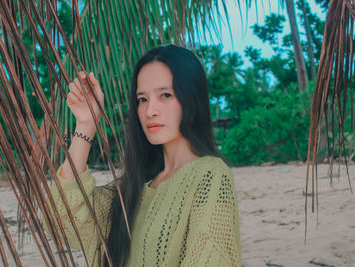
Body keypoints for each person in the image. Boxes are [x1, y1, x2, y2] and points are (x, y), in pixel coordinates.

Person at [49, 45, 241, 267]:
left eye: (165, 95)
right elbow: (63, 221)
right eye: (142, 99)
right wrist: (86, 123)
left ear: (192, 99)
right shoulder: (134, 187)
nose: (150, 111)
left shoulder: (210, 176)